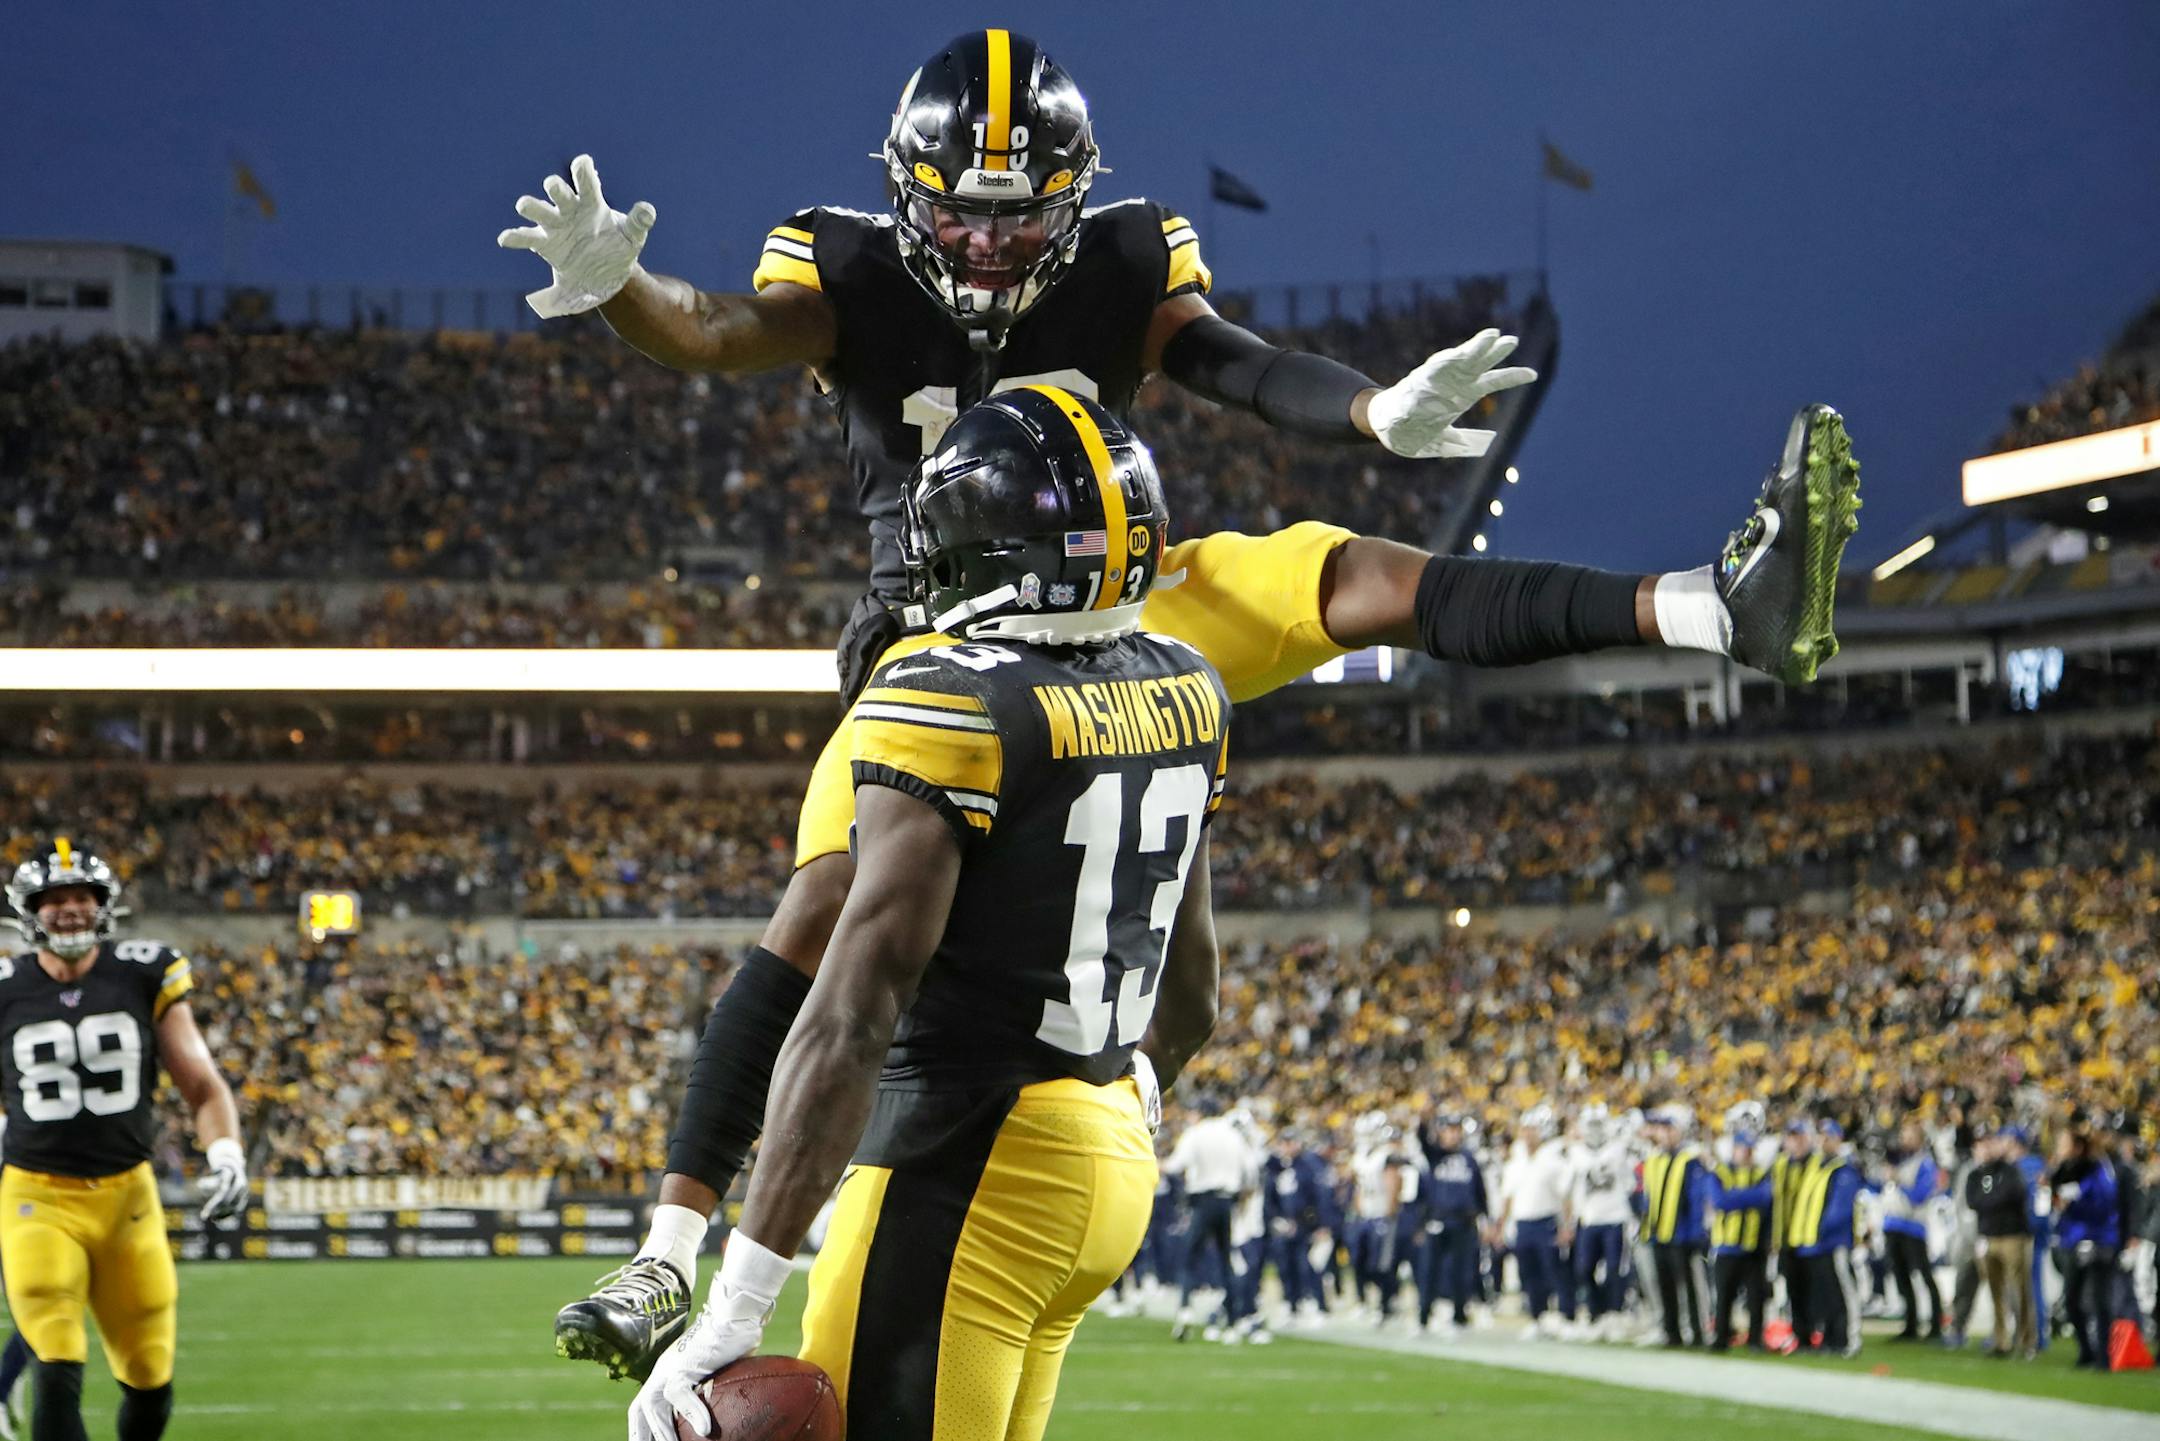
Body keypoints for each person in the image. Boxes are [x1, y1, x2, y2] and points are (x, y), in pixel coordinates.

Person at [514, 28, 1866, 1378]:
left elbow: (1234, 362)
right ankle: (666, 1257)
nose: (988, 250)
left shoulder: (1125, 257)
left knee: (1359, 575)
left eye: (1020, 216)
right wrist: (627, 287)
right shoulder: (846, 263)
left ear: (1077, 195)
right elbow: (718, 330)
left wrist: (1374, 410)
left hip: (1121, 599)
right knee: (821, 911)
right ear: (905, 194)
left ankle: (1703, 607)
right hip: (943, 640)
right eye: (961, 218)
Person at [626, 390, 1231, 1441]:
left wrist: (735, 1306)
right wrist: (1112, 1100)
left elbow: (850, 1018)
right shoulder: (1187, 684)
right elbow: (1195, 993)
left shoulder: (946, 697)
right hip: (1107, 1155)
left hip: (964, 1166)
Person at [2, 842, 250, 1441]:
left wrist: (225, 1154)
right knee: (55, 1362)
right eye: (54, 899)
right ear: (28, 910)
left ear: (104, 905)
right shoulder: (6, 985)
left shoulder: (144, 971)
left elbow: (203, 1085)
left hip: (127, 1199)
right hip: (37, 1195)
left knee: (147, 1372)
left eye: (81, 896)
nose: (69, 910)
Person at [1637, 1106, 1711, 1348]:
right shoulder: (1655, 1158)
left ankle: (1698, 1332)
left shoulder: (1690, 1160)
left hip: (1682, 1235)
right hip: (1659, 1234)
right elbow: (1649, 1198)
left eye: (1669, 1128)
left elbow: (1696, 1199)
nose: (1664, 1133)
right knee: (1665, 1285)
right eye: (1662, 1128)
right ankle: (1672, 1333)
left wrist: (1694, 1234)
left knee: (1690, 1287)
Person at [1793, 1119, 1865, 1357]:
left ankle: (1849, 1339)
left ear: (1838, 1139)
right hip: (1816, 1243)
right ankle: (1831, 1339)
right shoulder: (1817, 1167)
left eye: (1829, 1136)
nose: (1824, 1140)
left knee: (1842, 1291)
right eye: (1821, 1136)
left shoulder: (1844, 1169)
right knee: (1825, 1295)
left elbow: (1840, 1209)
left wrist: (1819, 1229)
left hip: (1834, 1242)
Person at [2052, 1122, 2121, 1371]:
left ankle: (2104, 1357)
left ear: (2078, 1147)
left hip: (2098, 1240)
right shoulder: (2063, 1170)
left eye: (2063, 1144)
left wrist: (2074, 1203)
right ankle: (2087, 1350)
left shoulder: (2097, 1170)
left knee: (2099, 1301)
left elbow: (2104, 1206)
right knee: (2071, 1300)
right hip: (2073, 1240)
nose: (2059, 1148)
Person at [1705, 1102, 1774, 1351]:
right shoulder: (1721, 1172)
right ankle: (1720, 1338)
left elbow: (1765, 1200)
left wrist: (1737, 1198)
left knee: (1757, 1297)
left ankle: (1756, 1340)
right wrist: (1747, 1198)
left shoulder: (1760, 1174)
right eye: (1742, 1148)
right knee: (1724, 1297)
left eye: (1749, 1149)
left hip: (1754, 1245)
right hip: (1727, 1245)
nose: (1745, 1153)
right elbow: (1720, 1201)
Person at [1964, 1125, 2036, 1358]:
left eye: (1989, 1142)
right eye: (1980, 1144)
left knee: (2019, 1291)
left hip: (2013, 1237)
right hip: (1987, 1237)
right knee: (1995, 1293)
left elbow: (2013, 1194)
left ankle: (2026, 1342)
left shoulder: (2010, 1170)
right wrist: (1994, 1199)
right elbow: (1972, 1201)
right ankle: (2001, 1340)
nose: (1985, 1148)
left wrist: (1990, 1200)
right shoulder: (1975, 1175)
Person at [1568, 1105, 1633, 1341]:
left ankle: (1614, 1314)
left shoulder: (1619, 1148)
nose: (1595, 1130)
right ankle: (1597, 1314)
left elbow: (1631, 1180)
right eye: (1591, 1125)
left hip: (1615, 1217)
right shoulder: (1575, 1151)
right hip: (1589, 1218)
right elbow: (1572, 1188)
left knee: (1615, 1269)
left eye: (1598, 1125)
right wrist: (1572, 1217)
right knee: (1583, 1270)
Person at [1421, 1112, 1488, 1335]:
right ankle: (1424, 1317)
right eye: (1449, 1130)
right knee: (1430, 1270)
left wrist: (1484, 1218)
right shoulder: (1435, 1155)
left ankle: (1459, 1316)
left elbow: (1480, 1191)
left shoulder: (1469, 1158)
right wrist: (1424, 1118)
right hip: (1438, 1221)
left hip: (1464, 1223)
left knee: (1462, 1271)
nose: (1452, 1134)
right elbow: (1423, 1139)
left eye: (1456, 1130)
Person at [1882, 1121, 1946, 1341]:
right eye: (1903, 1135)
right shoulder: (1898, 1162)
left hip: (1913, 1227)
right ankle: (1910, 1324)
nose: (1904, 1140)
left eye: (1910, 1136)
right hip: (1893, 1225)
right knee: (1901, 1278)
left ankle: (1936, 1324)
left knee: (1924, 1275)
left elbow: (1920, 1196)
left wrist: (1897, 1179)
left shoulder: (1925, 1164)